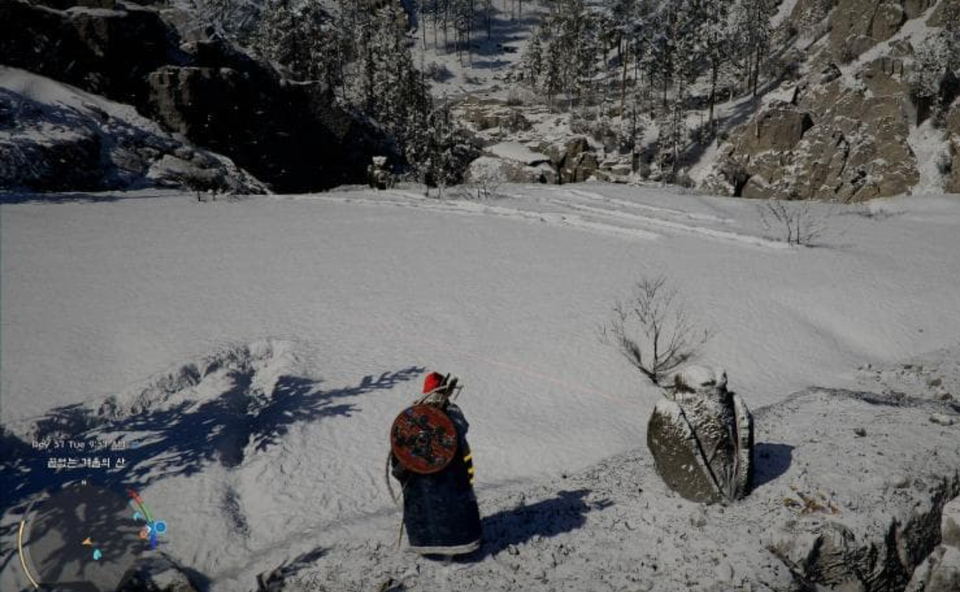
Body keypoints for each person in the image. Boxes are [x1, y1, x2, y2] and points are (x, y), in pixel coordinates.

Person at [389, 372, 482, 555]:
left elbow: (399, 451)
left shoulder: (416, 414)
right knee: (450, 504)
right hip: (447, 476)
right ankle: (456, 543)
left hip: (426, 475)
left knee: (426, 505)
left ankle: (429, 543)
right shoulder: (443, 415)